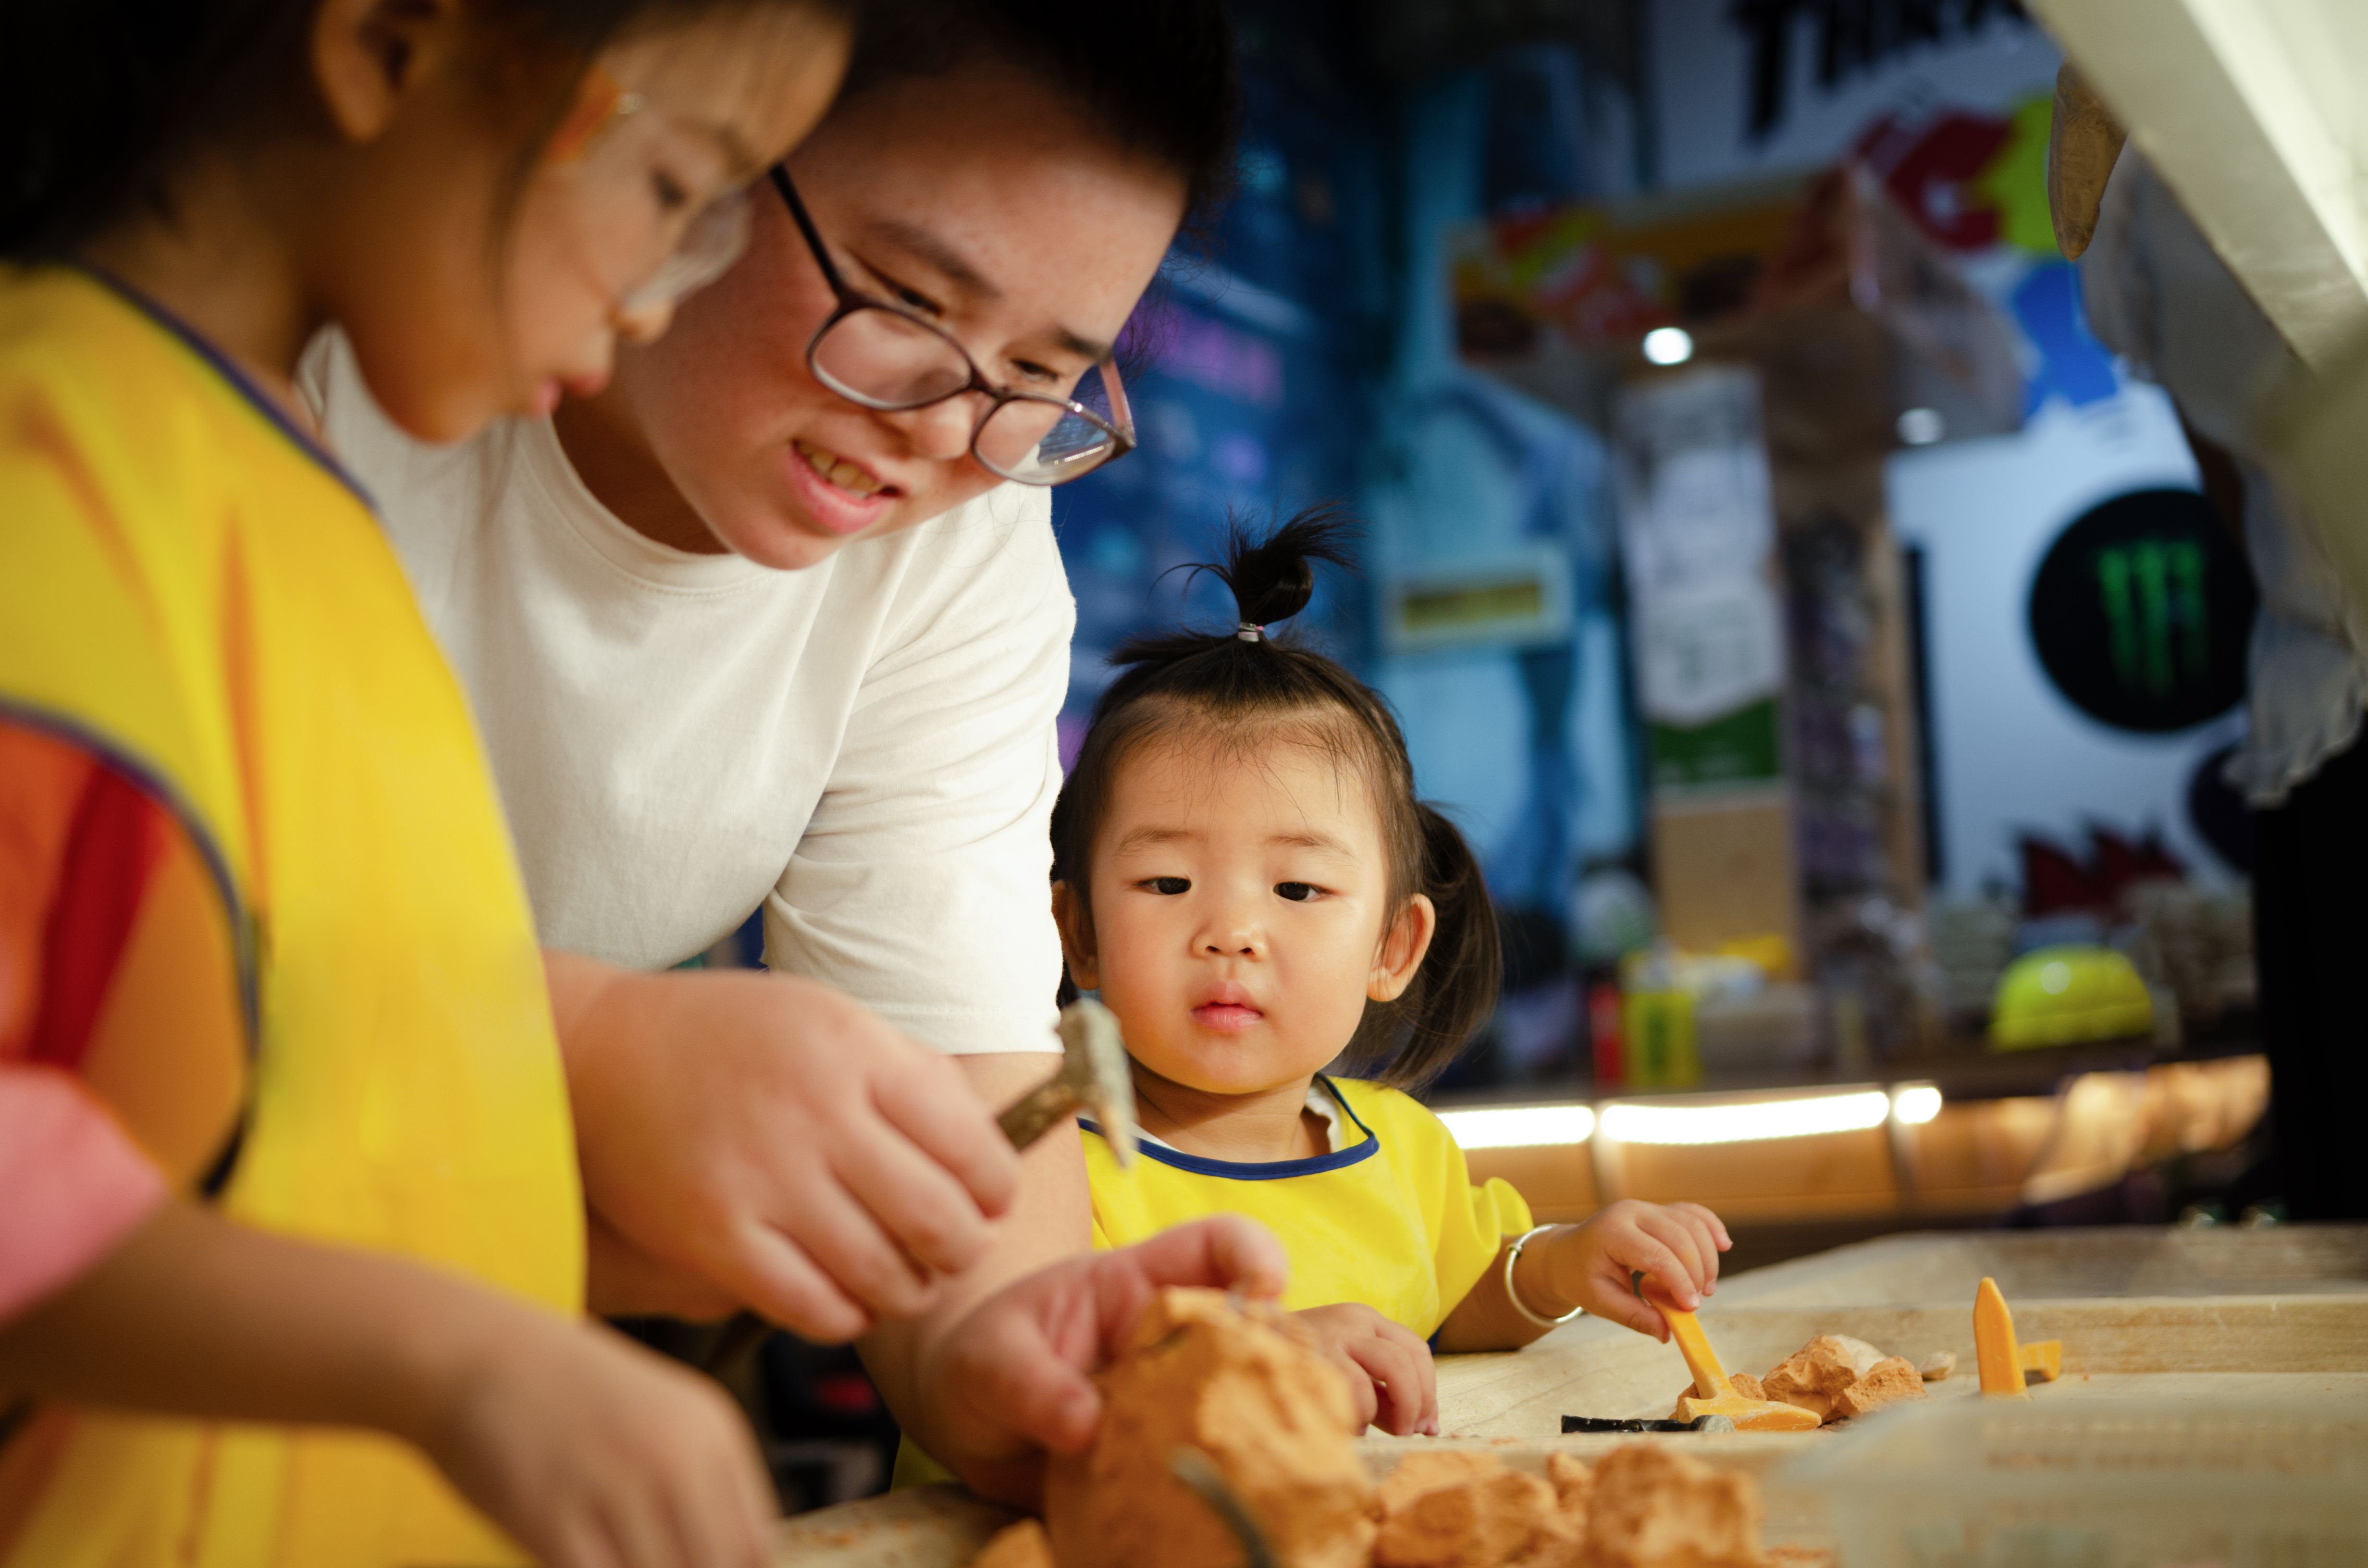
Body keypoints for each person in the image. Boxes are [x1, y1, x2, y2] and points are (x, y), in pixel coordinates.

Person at [0, 2, 1281, 1563]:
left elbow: (303, 1099)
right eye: (683, 184)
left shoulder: (289, 504)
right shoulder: (133, 462)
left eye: (1040, 376)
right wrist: (584, 1082)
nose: (953, 432)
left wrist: (985, 1345)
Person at [303, 0, 1247, 1467]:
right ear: (699, 139)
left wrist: (1012, 1361)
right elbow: (138, 986)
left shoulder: (968, 546)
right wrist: (589, 1053)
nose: (952, 430)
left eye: (1046, 374)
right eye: (908, 302)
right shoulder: (307, 369)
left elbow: (957, 1092)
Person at [1045, 512, 1734, 1437]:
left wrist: (1565, 1267)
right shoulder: (1046, 1163)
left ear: (1392, 949)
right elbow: (1027, 1370)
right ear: (1079, 932)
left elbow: (1458, 1298)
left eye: (1298, 887)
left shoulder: (1405, 1153)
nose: (1232, 932)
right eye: (1168, 882)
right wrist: (1251, 1360)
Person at [2080, 147, 2368, 1222]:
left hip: (2319, 721)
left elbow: (2227, 469)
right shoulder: (2139, 159)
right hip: (2323, 735)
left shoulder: (2141, 165)